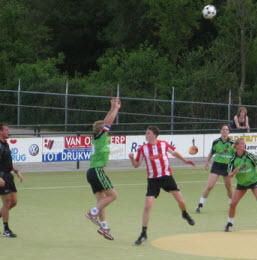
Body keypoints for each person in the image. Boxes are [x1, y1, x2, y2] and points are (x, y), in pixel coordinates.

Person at [129, 126, 196, 245]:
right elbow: (136, 165)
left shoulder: (164, 144)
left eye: (148, 133)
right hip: (152, 180)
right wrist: (132, 158)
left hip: (166, 177)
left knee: (181, 201)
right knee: (147, 205)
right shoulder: (143, 149)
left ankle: (185, 214)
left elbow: (174, 153)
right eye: (146, 132)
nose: (146, 134)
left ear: (154, 135)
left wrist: (185, 161)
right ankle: (144, 233)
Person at [84, 97, 121, 240]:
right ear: (102, 130)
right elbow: (108, 122)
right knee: (113, 196)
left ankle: (104, 227)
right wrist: (116, 109)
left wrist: (112, 108)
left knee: (101, 202)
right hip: (97, 171)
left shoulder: (98, 138)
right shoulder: (101, 136)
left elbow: (106, 121)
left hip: (91, 172)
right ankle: (92, 213)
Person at [224, 138, 257, 232]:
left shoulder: (249, 156)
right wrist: (233, 173)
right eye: (242, 144)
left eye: (244, 144)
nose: (244, 145)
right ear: (237, 145)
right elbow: (229, 175)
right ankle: (230, 224)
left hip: (253, 181)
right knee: (233, 204)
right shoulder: (233, 159)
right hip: (242, 184)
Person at [0, 123, 24, 238]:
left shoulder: (6, 144)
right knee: (7, 202)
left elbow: (8, 161)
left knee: (13, 202)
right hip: (1, 176)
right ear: (0, 132)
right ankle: (6, 230)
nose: (8, 132)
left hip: (8, 176)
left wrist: (17, 171)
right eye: (6, 130)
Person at [196, 124, 236, 213]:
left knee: (229, 187)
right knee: (210, 185)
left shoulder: (232, 143)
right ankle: (200, 205)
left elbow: (236, 156)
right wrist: (207, 162)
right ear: (220, 131)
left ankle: (232, 205)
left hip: (228, 167)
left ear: (229, 131)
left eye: (226, 129)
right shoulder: (216, 142)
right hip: (217, 165)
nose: (225, 131)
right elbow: (211, 153)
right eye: (223, 129)